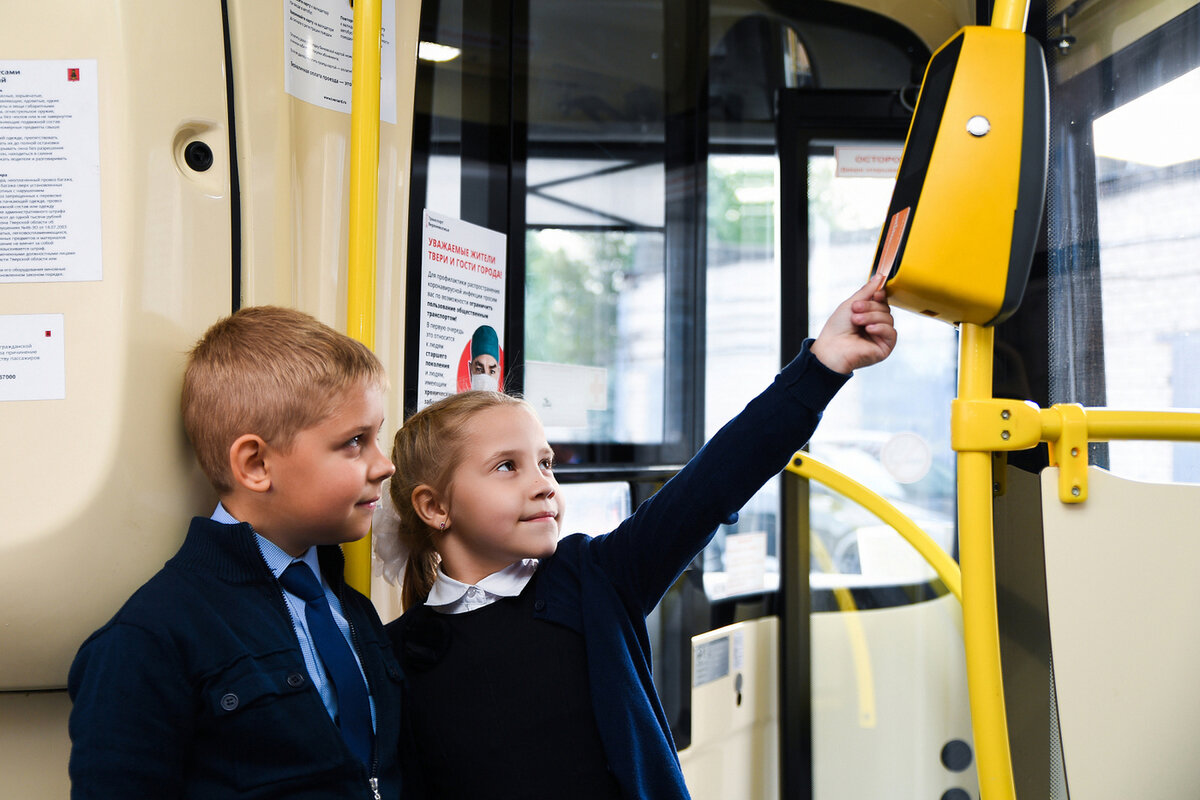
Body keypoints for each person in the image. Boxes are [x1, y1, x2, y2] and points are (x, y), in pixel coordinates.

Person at [374, 273, 896, 800]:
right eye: (507, 467)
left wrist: (822, 365)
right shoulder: (396, 652)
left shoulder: (593, 578)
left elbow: (714, 482)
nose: (543, 485)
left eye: (546, 463)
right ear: (435, 507)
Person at [67, 306, 407, 800]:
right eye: (355, 442)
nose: (385, 465)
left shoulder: (352, 609)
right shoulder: (151, 639)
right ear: (255, 464)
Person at [467, 324, 501, 391]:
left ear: (498, 372)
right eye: (479, 369)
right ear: (470, 369)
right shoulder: (458, 401)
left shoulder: (507, 401)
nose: (485, 380)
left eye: (492, 371)